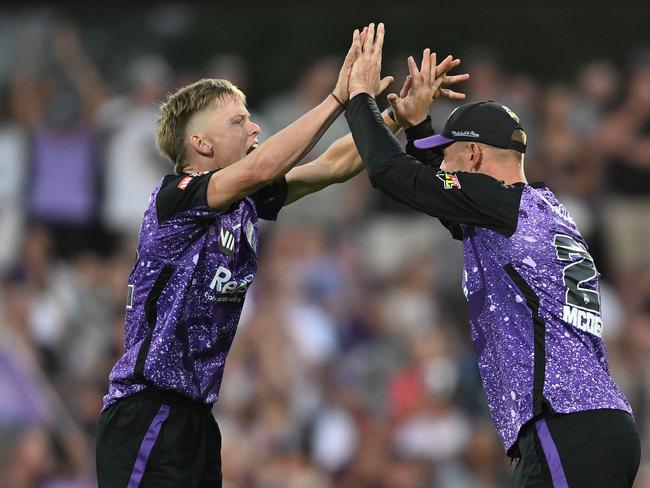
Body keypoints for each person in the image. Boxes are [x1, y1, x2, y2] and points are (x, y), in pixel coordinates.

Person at [95, 25, 467, 487]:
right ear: (201, 145)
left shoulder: (246, 199)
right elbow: (265, 164)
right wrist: (339, 98)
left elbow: (334, 165)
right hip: (147, 411)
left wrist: (392, 117)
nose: (253, 127)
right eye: (237, 121)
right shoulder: (176, 197)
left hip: (196, 418)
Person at [344, 23, 641, 487]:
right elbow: (442, 194)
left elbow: (388, 172)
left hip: (562, 424)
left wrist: (358, 97)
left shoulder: (496, 202)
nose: (442, 164)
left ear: (477, 158)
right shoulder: (541, 205)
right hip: (597, 424)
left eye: (451, 154)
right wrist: (420, 126)